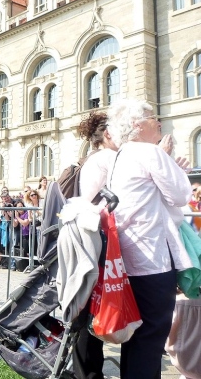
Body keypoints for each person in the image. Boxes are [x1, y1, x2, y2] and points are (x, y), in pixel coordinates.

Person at [107, 99, 191, 379]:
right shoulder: (149, 152)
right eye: (152, 117)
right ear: (136, 124)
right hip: (152, 258)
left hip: (131, 256)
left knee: (138, 337)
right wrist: (171, 164)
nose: (158, 122)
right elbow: (181, 195)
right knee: (152, 337)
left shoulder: (121, 154)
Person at [70, 110, 118, 379]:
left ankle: (87, 370)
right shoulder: (102, 159)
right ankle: (87, 372)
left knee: (92, 308)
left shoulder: (99, 158)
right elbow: (86, 202)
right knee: (91, 309)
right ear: (107, 135)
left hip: (98, 241)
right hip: (97, 241)